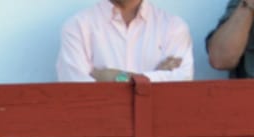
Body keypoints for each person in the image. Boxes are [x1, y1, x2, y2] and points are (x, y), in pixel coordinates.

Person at [57, 0, 194, 83]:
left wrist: (117, 77)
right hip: (99, 121)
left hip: (158, 120)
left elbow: (181, 81)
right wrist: (155, 77)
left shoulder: (173, 27)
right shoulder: (77, 27)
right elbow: (77, 88)